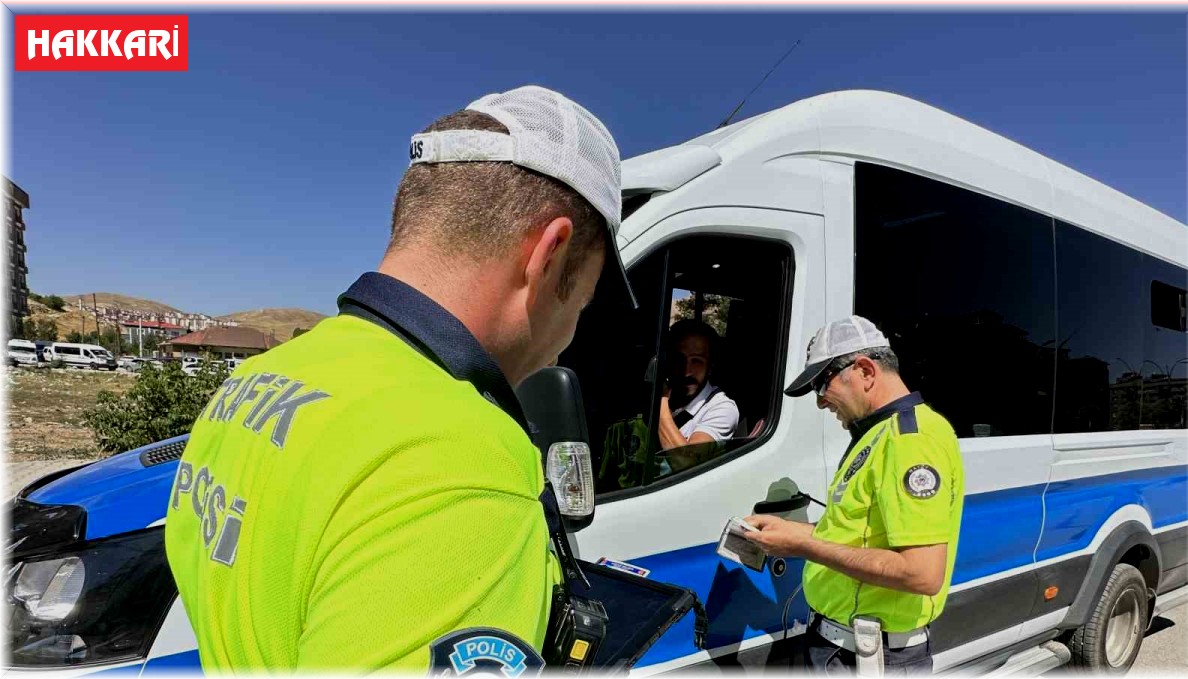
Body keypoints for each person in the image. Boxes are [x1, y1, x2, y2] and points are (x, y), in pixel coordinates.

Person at [164, 85, 635, 673]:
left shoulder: (257, 379)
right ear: (549, 254)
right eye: (583, 303)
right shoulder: (467, 460)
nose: (569, 336)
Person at [742, 315, 964, 674]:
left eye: (821, 384)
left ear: (864, 370)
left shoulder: (910, 442)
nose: (819, 402)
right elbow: (857, 534)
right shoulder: (879, 434)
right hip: (844, 648)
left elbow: (921, 574)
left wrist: (803, 547)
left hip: (870, 658)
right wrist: (792, 532)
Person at [657, 319, 740, 450]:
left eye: (696, 361)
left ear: (710, 367)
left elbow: (686, 462)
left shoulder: (722, 408)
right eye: (679, 359)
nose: (686, 371)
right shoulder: (671, 394)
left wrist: (660, 399)